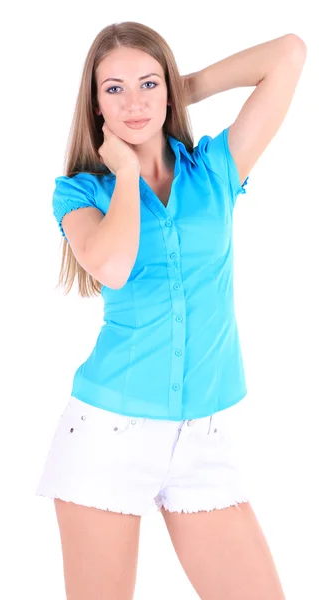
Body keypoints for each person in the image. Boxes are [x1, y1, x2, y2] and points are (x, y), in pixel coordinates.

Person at [35, 20, 307, 600]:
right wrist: (128, 172)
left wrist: (190, 85)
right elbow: (109, 266)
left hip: (207, 437)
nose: (133, 102)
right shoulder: (81, 193)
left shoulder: (214, 169)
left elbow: (289, 54)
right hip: (109, 435)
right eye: (114, 89)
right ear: (94, 102)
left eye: (147, 83)